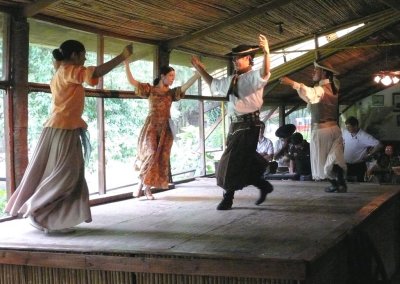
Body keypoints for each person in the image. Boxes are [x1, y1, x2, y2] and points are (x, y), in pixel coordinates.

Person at [5, 40, 133, 233]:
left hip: (61, 128)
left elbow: (66, 67)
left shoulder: (61, 70)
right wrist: (122, 57)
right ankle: (37, 213)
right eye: (83, 56)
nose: (84, 60)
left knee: (68, 175)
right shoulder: (68, 71)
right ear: (74, 55)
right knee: (66, 175)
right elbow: (95, 73)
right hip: (62, 129)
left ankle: (50, 217)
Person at [191, 34, 273, 210]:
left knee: (230, 161)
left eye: (238, 58)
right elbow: (214, 84)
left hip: (249, 125)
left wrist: (266, 52)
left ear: (248, 59)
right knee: (242, 161)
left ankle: (228, 198)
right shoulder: (232, 79)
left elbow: (266, 72)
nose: (235, 61)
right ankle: (262, 185)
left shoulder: (253, 77)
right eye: (234, 58)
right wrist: (200, 69)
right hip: (235, 126)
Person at [124, 61, 200, 200]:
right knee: (151, 154)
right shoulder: (150, 89)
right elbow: (133, 81)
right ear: (162, 76)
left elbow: (185, 87)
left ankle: (146, 188)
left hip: (165, 128)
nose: (173, 78)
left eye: (174, 76)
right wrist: (126, 62)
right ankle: (141, 183)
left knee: (160, 158)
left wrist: (198, 73)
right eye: (170, 76)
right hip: (152, 126)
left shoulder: (171, 93)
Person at [279, 61, 348, 193]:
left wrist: (292, 83)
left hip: (322, 131)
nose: (313, 72)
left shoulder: (321, 90)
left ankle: (335, 183)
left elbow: (310, 93)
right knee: (335, 158)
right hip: (335, 129)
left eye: (316, 70)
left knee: (321, 161)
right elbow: (311, 95)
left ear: (324, 73)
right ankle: (341, 183)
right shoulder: (333, 87)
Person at [342, 116, 382, 182]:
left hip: (358, 166)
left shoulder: (364, 136)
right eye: (347, 127)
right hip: (346, 164)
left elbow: (379, 144)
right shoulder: (346, 132)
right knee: (348, 184)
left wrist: (369, 154)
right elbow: (343, 142)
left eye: (349, 127)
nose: (347, 128)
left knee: (359, 184)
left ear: (356, 126)